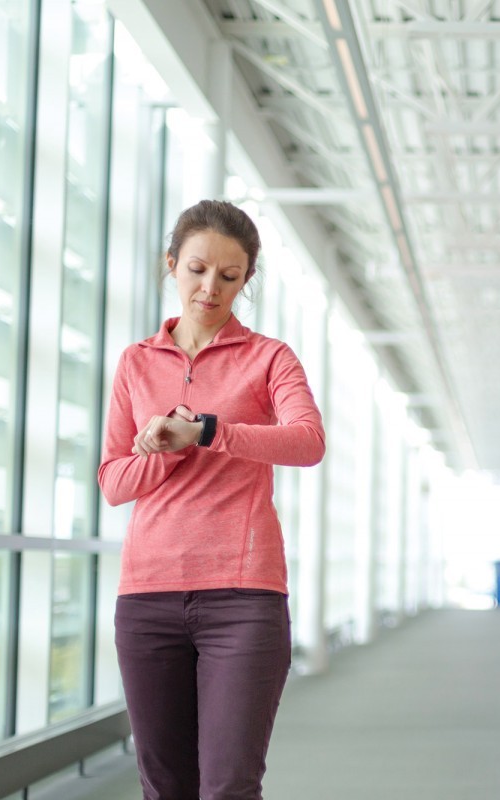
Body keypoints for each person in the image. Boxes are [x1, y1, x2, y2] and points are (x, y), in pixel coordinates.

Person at [98, 199, 325, 800]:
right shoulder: (135, 362)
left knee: (228, 786)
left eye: (229, 277)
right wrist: (162, 450)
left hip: (244, 599)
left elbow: (307, 442)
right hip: (146, 600)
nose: (210, 288)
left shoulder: (270, 358)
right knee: (165, 788)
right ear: (171, 264)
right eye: (197, 269)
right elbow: (113, 482)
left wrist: (206, 430)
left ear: (246, 280)